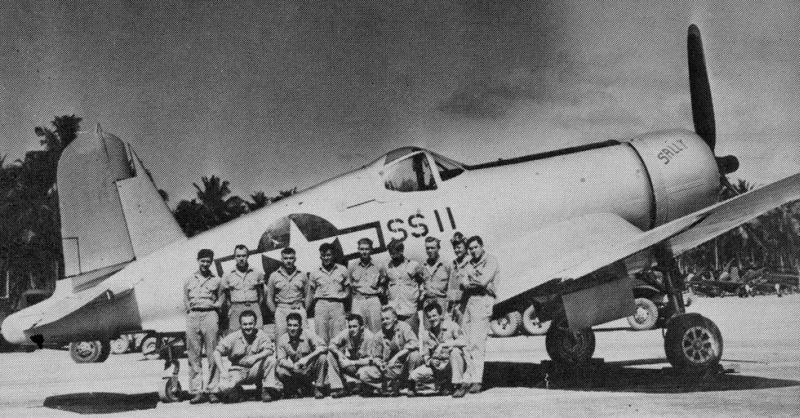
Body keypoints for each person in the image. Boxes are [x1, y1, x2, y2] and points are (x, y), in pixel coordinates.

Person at [183, 248, 225, 404]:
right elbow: (185, 298)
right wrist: (190, 310)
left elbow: (221, 297)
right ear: (198, 261)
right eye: (203, 261)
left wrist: (216, 306)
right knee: (193, 355)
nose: (205, 264)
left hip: (209, 315)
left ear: (211, 262)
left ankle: (213, 389)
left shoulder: (217, 280)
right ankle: (196, 391)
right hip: (193, 316)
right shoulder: (189, 279)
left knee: (212, 353)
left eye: (208, 261)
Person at [213, 310, 276, 403]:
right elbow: (216, 352)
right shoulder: (233, 337)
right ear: (240, 325)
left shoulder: (261, 335)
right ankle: (238, 390)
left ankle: (266, 389)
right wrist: (223, 372)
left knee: (270, 360)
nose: (248, 327)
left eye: (250, 324)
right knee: (224, 387)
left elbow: (270, 350)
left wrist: (256, 357)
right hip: (238, 371)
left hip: (255, 370)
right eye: (245, 324)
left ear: (255, 323)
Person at [461, 235, 497, 394]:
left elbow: (483, 281)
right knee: (467, 343)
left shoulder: (491, 261)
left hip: (483, 303)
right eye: (470, 248)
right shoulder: (469, 263)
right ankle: (467, 378)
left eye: (476, 247)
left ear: (482, 246)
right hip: (469, 303)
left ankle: (477, 380)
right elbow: (463, 283)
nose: (473, 250)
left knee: (477, 343)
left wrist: (474, 281)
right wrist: (477, 282)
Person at [264, 312, 329, 400]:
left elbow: (323, 347)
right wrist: (292, 366)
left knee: (322, 358)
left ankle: (319, 387)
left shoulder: (308, 334)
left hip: (310, 369)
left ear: (300, 326)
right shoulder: (283, 339)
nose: (292, 328)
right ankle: (296, 388)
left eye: (295, 325)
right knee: (280, 371)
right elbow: (281, 360)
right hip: (296, 370)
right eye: (290, 325)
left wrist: (307, 358)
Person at [408, 302, 467, 397]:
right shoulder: (426, 334)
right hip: (438, 366)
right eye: (429, 317)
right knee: (414, 375)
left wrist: (445, 344)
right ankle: (444, 384)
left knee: (455, 352)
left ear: (440, 315)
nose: (432, 319)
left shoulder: (451, 326)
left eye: (434, 316)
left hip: (452, 364)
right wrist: (430, 361)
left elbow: (463, 341)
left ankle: (458, 385)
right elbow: (426, 354)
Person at [326, 313, 385, 398]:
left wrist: (351, 362)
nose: (351, 329)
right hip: (355, 366)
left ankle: (368, 386)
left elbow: (372, 360)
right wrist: (339, 354)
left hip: (368, 368)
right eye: (350, 327)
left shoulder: (370, 337)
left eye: (354, 326)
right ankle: (339, 388)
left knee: (365, 384)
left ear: (362, 327)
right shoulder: (346, 333)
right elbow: (331, 345)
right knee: (331, 355)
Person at [309, 243, 349, 343]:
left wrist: (343, 300)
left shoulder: (342, 270)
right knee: (321, 337)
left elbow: (348, 289)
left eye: (328, 255)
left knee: (339, 337)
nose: (326, 258)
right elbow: (311, 292)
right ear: (320, 256)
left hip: (337, 304)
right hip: (321, 305)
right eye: (323, 256)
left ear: (333, 255)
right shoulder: (314, 272)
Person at [266, 247, 309, 341]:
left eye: (291, 258)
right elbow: (269, 298)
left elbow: (308, 295)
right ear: (281, 259)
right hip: (281, 310)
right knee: (281, 338)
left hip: (298, 308)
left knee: (303, 338)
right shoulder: (274, 276)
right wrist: (276, 312)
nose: (288, 261)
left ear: (295, 259)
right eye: (285, 258)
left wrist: (303, 310)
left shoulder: (302, 275)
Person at [378, 306, 423, 396]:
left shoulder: (404, 327)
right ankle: (392, 384)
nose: (385, 321)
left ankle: (411, 385)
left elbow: (415, 343)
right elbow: (376, 356)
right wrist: (380, 363)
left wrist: (396, 356)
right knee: (365, 374)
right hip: (391, 367)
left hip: (406, 365)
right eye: (382, 319)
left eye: (387, 318)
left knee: (415, 355)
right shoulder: (379, 335)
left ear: (395, 319)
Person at [385, 239, 425, 333]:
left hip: (409, 310)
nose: (392, 256)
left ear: (401, 251)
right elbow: (384, 284)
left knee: (412, 337)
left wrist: (420, 296)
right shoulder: (387, 267)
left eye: (394, 253)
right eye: (390, 253)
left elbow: (421, 282)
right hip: (394, 312)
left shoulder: (413, 265)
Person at [222, 244, 264, 332]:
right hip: (236, 307)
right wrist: (231, 308)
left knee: (257, 332)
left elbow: (262, 292)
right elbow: (225, 294)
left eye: (244, 256)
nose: (241, 258)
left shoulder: (257, 272)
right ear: (234, 257)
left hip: (253, 306)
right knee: (235, 334)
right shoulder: (227, 274)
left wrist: (256, 305)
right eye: (238, 256)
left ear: (248, 256)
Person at [348, 238, 386, 333]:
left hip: (373, 299)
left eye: (366, 249)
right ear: (358, 250)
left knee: (376, 329)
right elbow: (349, 285)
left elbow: (383, 283)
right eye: (361, 249)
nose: (364, 252)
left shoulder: (378, 266)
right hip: (358, 300)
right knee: (358, 329)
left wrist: (381, 290)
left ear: (371, 250)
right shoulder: (352, 266)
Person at [422, 237, 452, 320]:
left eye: (432, 248)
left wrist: (449, 310)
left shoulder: (446, 265)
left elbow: (451, 287)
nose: (430, 251)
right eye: (427, 248)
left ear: (438, 248)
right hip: (427, 304)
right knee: (428, 327)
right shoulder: (423, 266)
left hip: (442, 303)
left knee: (443, 327)